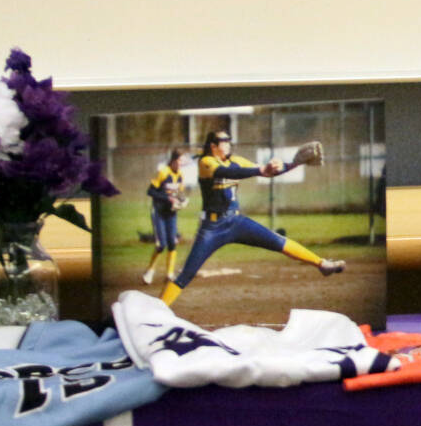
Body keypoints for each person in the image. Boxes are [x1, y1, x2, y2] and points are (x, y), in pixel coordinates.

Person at [159, 130, 344, 306]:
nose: (228, 143)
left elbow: (266, 172)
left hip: (236, 222)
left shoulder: (236, 160)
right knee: (187, 274)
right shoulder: (206, 162)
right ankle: (156, 310)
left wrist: (294, 163)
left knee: (277, 241)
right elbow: (227, 173)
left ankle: (322, 264)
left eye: (228, 139)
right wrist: (260, 169)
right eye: (224, 140)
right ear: (213, 146)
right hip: (212, 227)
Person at [142, 149, 189, 285]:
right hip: (159, 212)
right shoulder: (163, 172)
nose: (181, 163)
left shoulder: (180, 175)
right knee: (161, 245)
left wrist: (182, 200)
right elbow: (150, 191)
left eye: (183, 161)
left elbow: (179, 193)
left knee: (172, 243)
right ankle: (150, 271)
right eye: (180, 160)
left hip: (171, 214)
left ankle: (169, 274)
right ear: (173, 160)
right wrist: (168, 198)